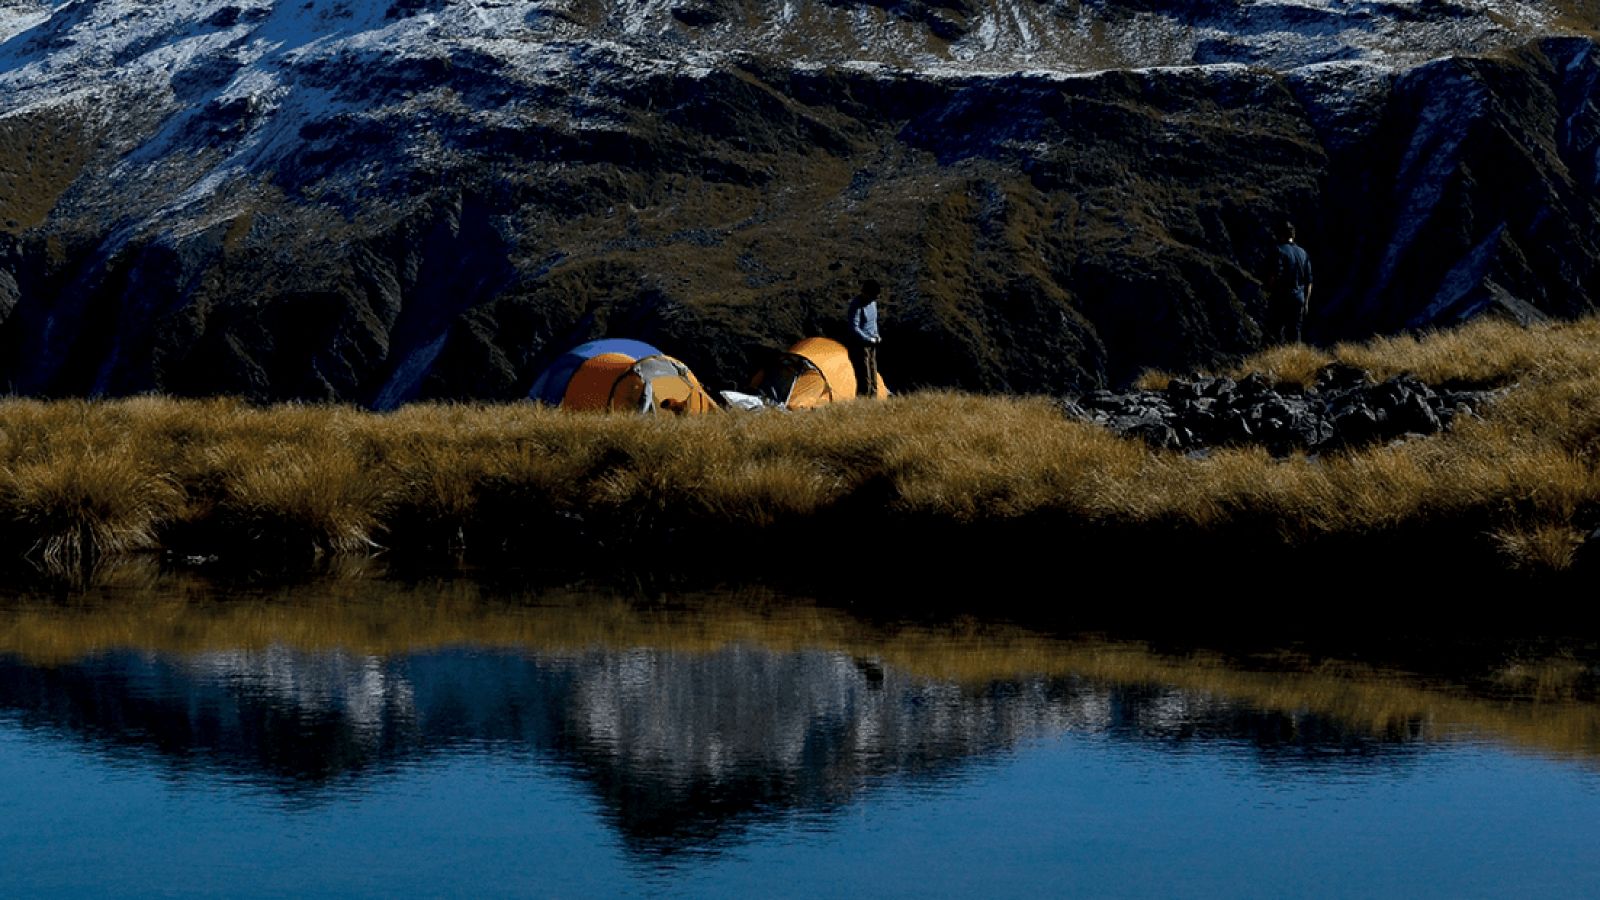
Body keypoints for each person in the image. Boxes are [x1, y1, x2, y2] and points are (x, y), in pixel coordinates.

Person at [1266, 220, 1313, 344]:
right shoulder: (1303, 253)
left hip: (1281, 297)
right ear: (1293, 235)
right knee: (1295, 333)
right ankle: (1296, 361)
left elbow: (1275, 274)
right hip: (1299, 299)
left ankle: (1277, 361)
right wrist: (1306, 302)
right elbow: (1309, 281)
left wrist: (1268, 292)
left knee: (1275, 333)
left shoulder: (1278, 250)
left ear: (1279, 234)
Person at [846, 278, 882, 398]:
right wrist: (867, 338)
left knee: (873, 369)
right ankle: (864, 396)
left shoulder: (873, 303)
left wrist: (876, 335)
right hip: (860, 345)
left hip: (872, 342)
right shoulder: (856, 305)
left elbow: (873, 322)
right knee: (864, 373)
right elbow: (854, 327)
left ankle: (874, 395)